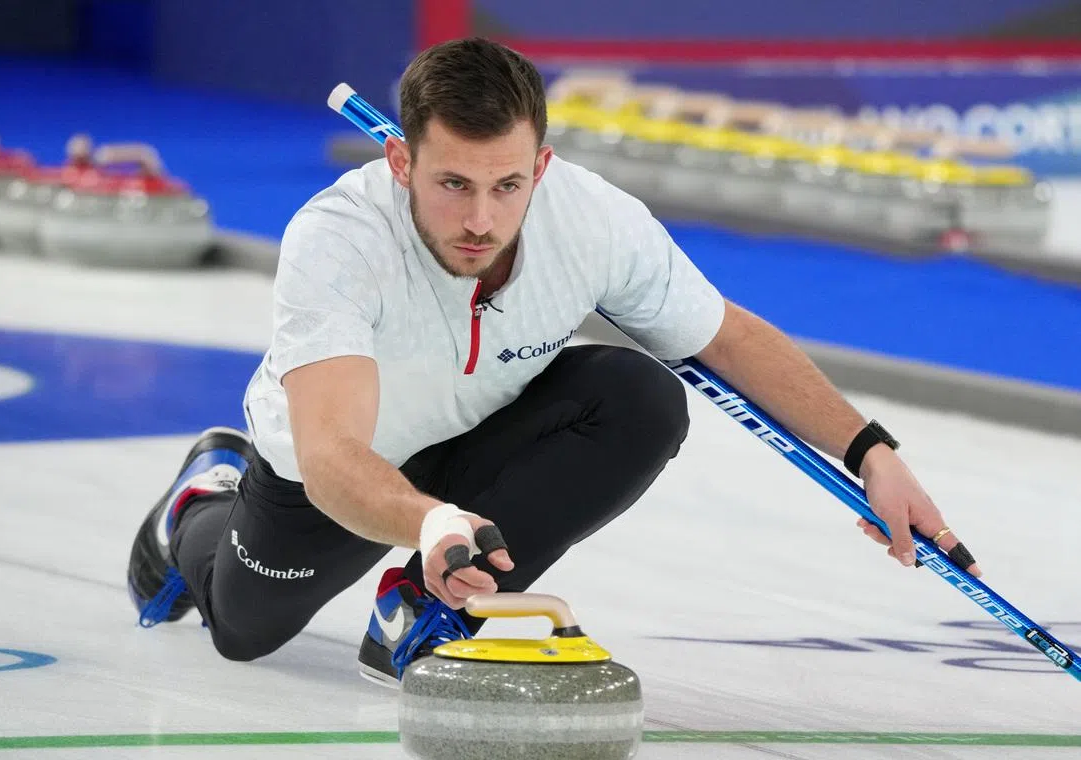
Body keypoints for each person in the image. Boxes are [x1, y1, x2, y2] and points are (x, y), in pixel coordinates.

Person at [127, 37, 980, 686]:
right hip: (346, 469)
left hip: (478, 430)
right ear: (399, 160)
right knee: (243, 629)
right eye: (452, 183)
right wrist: (429, 522)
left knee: (641, 395)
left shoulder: (592, 219)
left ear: (541, 164)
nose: (482, 220)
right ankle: (201, 502)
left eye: (507, 185)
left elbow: (723, 335)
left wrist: (870, 450)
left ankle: (427, 610)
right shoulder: (337, 239)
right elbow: (331, 454)